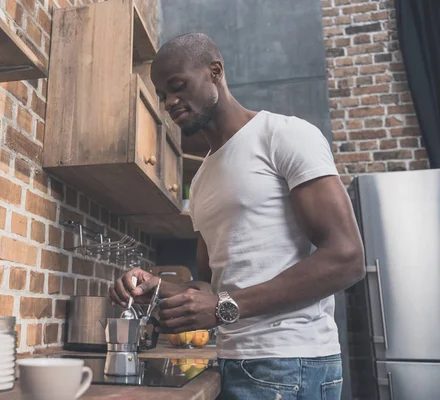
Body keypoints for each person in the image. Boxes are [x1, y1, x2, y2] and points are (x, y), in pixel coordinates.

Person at [108, 33, 366, 400]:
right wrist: (157, 286)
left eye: (178, 86)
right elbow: (213, 288)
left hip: (290, 364)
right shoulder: (200, 182)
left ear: (215, 72)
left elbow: (347, 258)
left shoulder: (285, 136)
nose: (169, 102)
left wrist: (222, 307)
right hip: (233, 361)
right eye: (163, 94)